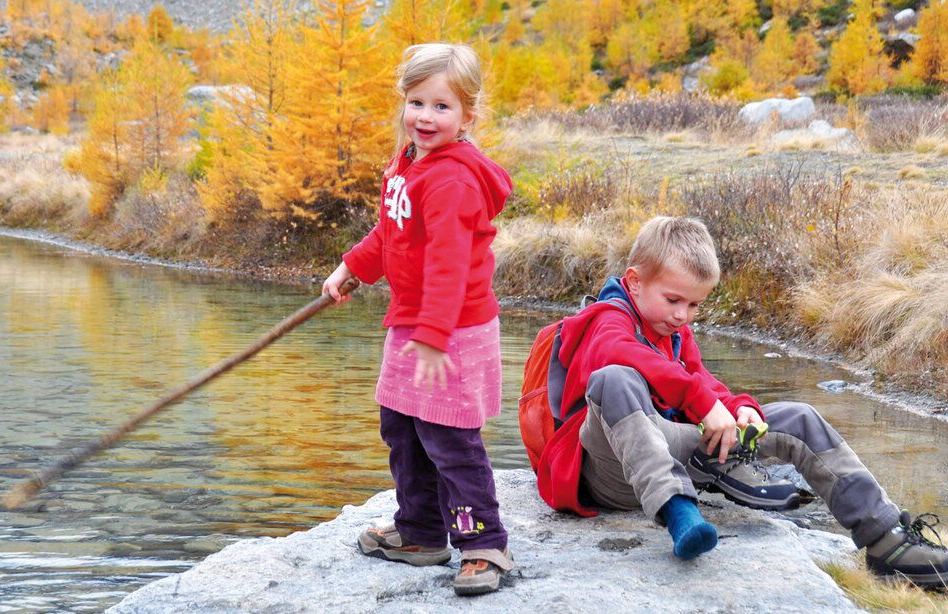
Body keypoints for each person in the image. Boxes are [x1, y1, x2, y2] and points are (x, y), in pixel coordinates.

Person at [540, 215, 948, 586]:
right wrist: (700, 402)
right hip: (613, 471)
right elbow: (619, 358)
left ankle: (887, 540)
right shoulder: (605, 321)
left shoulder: (673, 331)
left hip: (675, 449)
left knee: (798, 418)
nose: (683, 315)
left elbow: (701, 378)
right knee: (615, 379)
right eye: (673, 300)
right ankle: (680, 511)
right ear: (633, 281)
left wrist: (738, 408)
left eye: (695, 304)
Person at [322, 42, 514, 597]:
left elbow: (449, 267)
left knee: (449, 438)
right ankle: (422, 532)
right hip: (414, 323)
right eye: (416, 102)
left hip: (450, 330)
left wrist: (433, 339)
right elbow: (393, 234)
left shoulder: (452, 181)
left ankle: (482, 543)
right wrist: (352, 267)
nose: (425, 117)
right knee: (402, 428)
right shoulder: (409, 164)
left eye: (442, 107)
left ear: (469, 115)